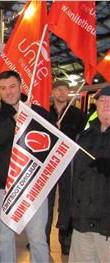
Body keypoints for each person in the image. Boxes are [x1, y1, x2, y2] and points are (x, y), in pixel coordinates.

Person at [0, 70, 50, 263]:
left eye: (12, 86)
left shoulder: (38, 113)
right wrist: (15, 119)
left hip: (35, 185)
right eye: (3, 88)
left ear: (21, 87)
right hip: (4, 186)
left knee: (37, 238)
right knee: (5, 237)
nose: (8, 92)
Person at [68, 86, 110, 262]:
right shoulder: (84, 136)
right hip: (83, 223)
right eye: (102, 100)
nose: (105, 104)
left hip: (107, 227)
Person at [46, 80, 87, 255]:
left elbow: (84, 138)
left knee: (66, 200)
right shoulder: (45, 113)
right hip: (47, 164)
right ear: (53, 92)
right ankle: (42, 238)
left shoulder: (78, 115)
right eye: (58, 90)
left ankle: (65, 238)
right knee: (45, 202)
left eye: (65, 90)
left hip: (68, 164)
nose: (62, 93)